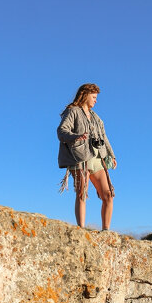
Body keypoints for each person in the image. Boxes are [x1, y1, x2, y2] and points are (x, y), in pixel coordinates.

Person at [57, 83, 117, 229]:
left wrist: (112, 155)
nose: (96, 100)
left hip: (97, 158)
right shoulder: (72, 111)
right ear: (85, 95)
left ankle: (106, 231)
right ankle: (81, 229)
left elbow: (104, 137)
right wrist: (76, 137)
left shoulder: (96, 117)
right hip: (79, 157)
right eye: (94, 97)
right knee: (82, 193)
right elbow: (61, 131)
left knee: (108, 195)